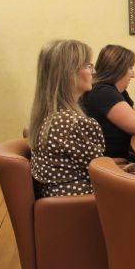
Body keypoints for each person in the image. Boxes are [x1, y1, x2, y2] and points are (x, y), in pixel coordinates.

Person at [29, 39, 104, 197]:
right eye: (88, 65)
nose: (94, 71)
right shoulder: (74, 123)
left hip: (58, 203)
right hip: (83, 206)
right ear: (68, 73)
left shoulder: (48, 117)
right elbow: (102, 174)